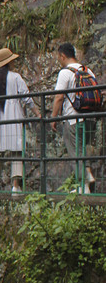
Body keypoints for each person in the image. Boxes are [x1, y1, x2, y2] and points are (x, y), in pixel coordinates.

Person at [0, 47, 38, 196]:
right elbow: (27, 98)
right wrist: (38, 113)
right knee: (16, 149)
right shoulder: (15, 77)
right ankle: (15, 186)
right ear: (9, 62)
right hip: (13, 115)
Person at [51, 42, 97, 193]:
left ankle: (83, 187)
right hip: (91, 118)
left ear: (62, 56)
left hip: (73, 118)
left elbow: (59, 97)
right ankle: (88, 175)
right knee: (84, 149)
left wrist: (54, 118)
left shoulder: (65, 72)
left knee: (75, 152)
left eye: (59, 57)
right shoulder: (87, 70)